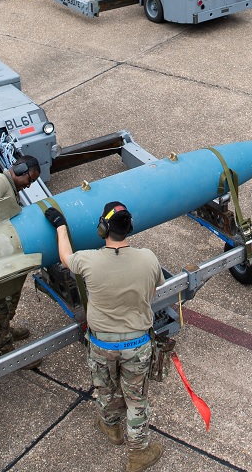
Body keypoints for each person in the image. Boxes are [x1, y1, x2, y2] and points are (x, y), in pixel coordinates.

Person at [45, 202, 165, 472]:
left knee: (106, 389)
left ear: (103, 229)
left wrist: (60, 226)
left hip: (101, 344)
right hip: (137, 345)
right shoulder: (148, 258)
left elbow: (65, 257)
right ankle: (138, 454)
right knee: (136, 399)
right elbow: (155, 288)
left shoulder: (89, 260)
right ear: (129, 227)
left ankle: (112, 429)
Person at [0, 155, 42, 353]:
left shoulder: (11, 189)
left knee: (9, 299)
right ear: (19, 169)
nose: (29, 186)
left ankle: (5, 330)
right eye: (29, 180)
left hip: (5, 256)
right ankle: (5, 349)